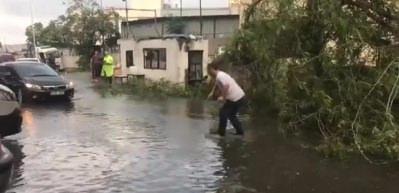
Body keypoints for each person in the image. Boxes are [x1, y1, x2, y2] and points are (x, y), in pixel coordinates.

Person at [207, 60, 246, 136]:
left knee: (223, 113)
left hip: (235, 98)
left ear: (212, 69)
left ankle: (221, 133)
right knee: (231, 115)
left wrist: (223, 97)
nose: (208, 72)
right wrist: (212, 93)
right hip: (239, 97)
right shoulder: (220, 75)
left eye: (208, 70)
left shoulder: (220, 76)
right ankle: (240, 132)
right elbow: (218, 85)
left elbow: (226, 86)